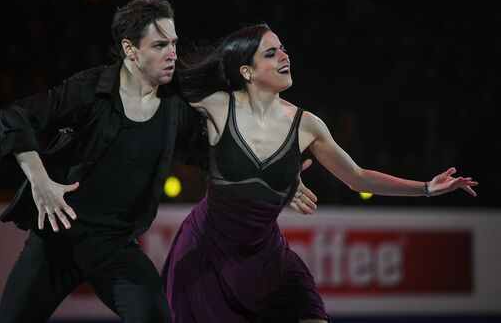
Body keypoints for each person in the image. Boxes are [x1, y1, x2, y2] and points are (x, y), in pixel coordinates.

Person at [0, 0, 316, 323]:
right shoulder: (91, 88)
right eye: (160, 45)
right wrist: (39, 180)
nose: (173, 53)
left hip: (115, 248)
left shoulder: (175, 103)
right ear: (130, 49)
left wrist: (278, 175)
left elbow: (215, 156)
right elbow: (16, 117)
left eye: (174, 43)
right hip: (56, 243)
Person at [162, 24, 478, 323]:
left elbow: (358, 178)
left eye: (283, 49)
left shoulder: (307, 125)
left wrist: (426, 188)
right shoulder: (218, 107)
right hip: (206, 251)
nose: (284, 56)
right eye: (270, 53)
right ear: (247, 71)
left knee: (311, 312)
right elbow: (155, 104)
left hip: (266, 258)